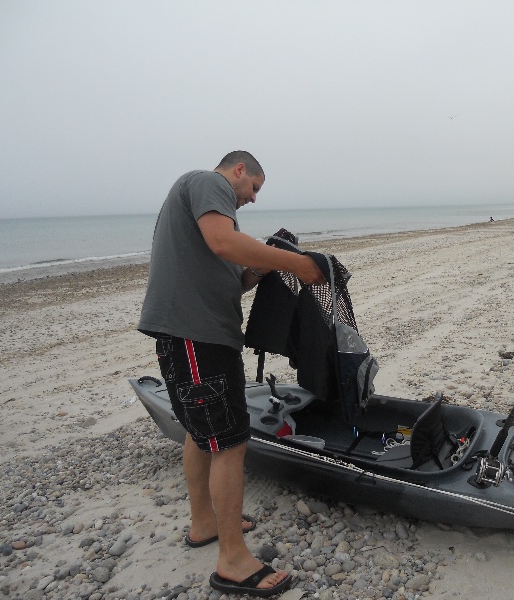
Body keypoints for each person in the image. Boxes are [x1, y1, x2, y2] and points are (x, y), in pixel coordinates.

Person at [138, 151, 325, 597]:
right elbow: (223, 243)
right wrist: (297, 265)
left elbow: (234, 277)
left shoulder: (217, 216)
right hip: (196, 334)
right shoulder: (208, 183)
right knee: (229, 442)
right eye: (255, 187)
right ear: (238, 171)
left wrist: (266, 261)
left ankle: (204, 523)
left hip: (195, 334)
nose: (254, 198)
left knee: (200, 431)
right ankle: (233, 561)